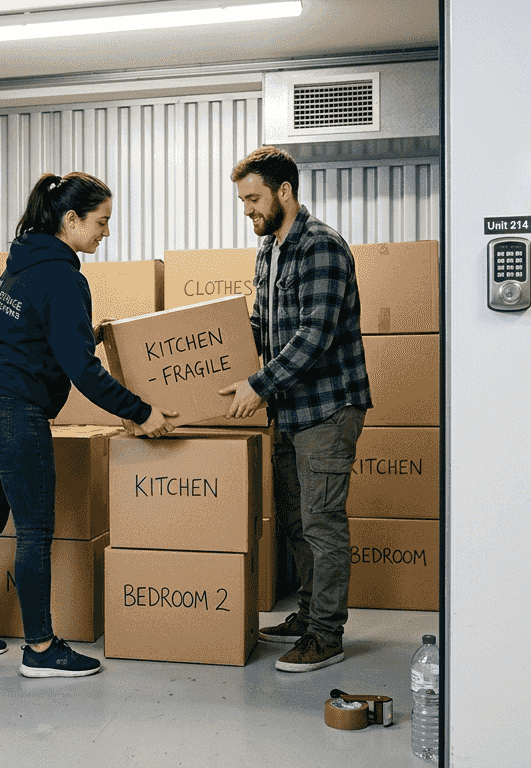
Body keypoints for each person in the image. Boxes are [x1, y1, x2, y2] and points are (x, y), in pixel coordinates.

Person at [0, 171, 176, 678]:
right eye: (101, 221)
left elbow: (29, 337)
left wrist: (83, 333)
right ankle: (41, 649)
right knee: (35, 532)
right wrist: (143, 412)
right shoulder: (66, 278)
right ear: (71, 219)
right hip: (15, 414)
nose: (106, 232)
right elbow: (84, 373)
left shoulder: (18, 267)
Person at [218, 146, 372, 673]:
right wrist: (213, 359)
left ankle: (327, 634)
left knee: (321, 522)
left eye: (254, 198)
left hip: (328, 408)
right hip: (288, 410)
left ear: (285, 191)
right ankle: (307, 616)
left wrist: (256, 384)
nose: (248, 210)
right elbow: (262, 327)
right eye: (243, 200)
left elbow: (316, 336)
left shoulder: (322, 247)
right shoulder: (269, 252)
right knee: (293, 520)